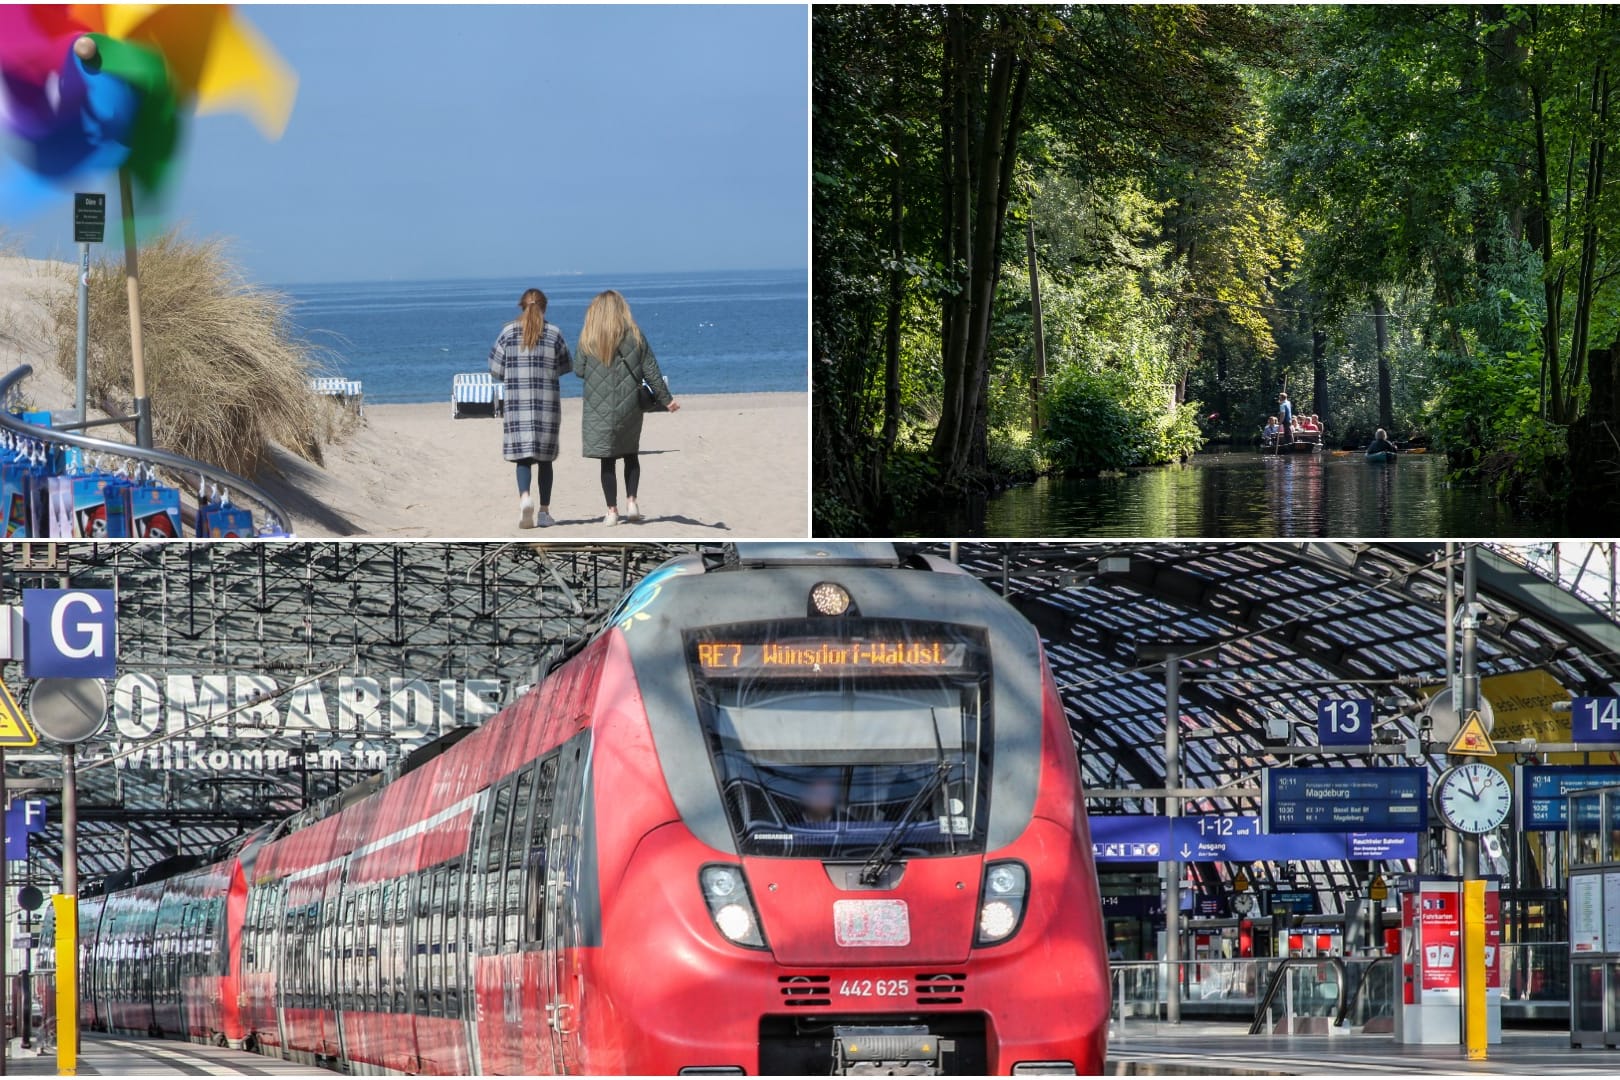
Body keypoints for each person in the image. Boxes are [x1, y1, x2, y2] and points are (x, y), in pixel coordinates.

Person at [573, 290, 680, 525]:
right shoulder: (635, 334)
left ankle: (612, 511)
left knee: (607, 458)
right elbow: (651, 370)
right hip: (629, 404)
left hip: (598, 407)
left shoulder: (588, 336)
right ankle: (632, 501)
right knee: (631, 454)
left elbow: (579, 370)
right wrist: (667, 400)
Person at [489, 288, 571, 529]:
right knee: (546, 460)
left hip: (518, 403)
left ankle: (525, 497)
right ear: (544, 307)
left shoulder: (507, 332)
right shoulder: (554, 333)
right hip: (546, 404)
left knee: (522, 458)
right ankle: (544, 512)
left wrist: (513, 373)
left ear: (521, 306)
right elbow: (565, 365)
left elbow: (495, 368)